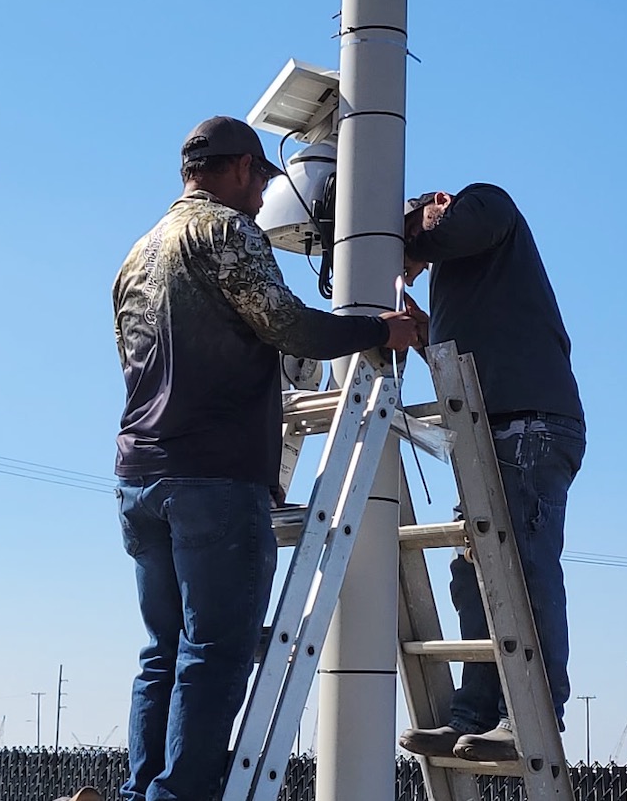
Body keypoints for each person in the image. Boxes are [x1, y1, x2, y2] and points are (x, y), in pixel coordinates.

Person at [112, 115, 420, 801]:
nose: (262, 201)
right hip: (213, 477)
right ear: (245, 169)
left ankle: (142, 791)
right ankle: (181, 794)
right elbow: (286, 326)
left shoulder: (137, 254)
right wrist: (380, 329)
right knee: (215, 653)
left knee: (164, 651)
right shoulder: (225, 231)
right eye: (261, 184)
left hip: (139, 476)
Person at [396, 185, 585, 764]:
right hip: (488, 430)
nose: (421, 259)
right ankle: (473, 715)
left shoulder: (484, 203)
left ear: (439, 200)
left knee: (524, 568)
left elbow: (447, 234)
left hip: (529, 426)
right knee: (470, 574)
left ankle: (533, 715)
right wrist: (427, 334)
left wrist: (402, 232)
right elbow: (467, 355)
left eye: (417, 232)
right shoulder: (463, 279)